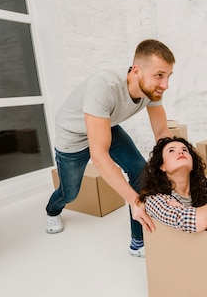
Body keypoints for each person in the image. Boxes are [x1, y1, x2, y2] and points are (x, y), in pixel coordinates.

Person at [45, 39, 175, 258]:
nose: (165, 85)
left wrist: (178, 169)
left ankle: (137, 242)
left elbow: (162, 134)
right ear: (136, 71)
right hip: (73, 135)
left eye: (168, 76)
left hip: (106, 125)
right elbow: (99, 156)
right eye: (159, 75)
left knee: (141, 170)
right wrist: (135, 201)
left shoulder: (151, 91)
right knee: (70, 192)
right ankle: (51, 210)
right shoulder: (104, 86)